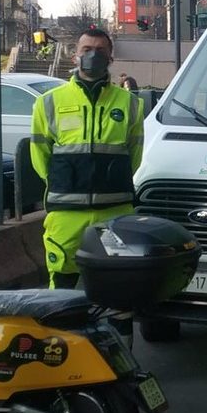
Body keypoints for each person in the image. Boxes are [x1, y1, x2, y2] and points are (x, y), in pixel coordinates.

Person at [29, 28, 144, 298]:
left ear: (111, 58)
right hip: (66, 213)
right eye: (86, 50)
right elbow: (39, 155)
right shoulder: (48, 103)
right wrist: (65, 183)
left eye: (100, 51)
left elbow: (134, 156)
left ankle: (114, 339)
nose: (93, 55)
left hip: (114, 212)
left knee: (116, 290)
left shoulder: (130, 104)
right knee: (61, 289)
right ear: (75, 56)